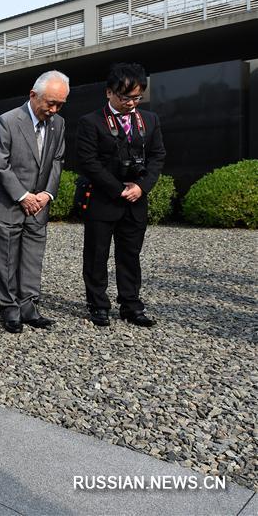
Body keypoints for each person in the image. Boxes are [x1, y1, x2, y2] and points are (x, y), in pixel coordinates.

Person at [77, 63, 166, 327]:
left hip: (136, 199)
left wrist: (141, 187)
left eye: (137, 97)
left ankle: (131, 305)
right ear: (109, 93)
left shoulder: (150, 120)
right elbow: (88, 162)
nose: (131, 103)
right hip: (103, 198)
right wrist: (118, 189)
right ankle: (98, 304)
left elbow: (158, 156)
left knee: (130, 255)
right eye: (125, 97)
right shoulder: (90, 121)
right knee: (96, 255)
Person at [0, 71, 68, 333]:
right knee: (6, 259)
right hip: (9, 204)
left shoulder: (59, 124)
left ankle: (29, 306)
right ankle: (9, 309)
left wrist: (46, 194)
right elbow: (0, 164)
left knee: (33, 257)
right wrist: (23, 196)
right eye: (50, 103)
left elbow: (57, 160)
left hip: (39, 205)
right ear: (33, 95)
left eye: (60, 104)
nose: (54, 110)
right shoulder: (7, 121)